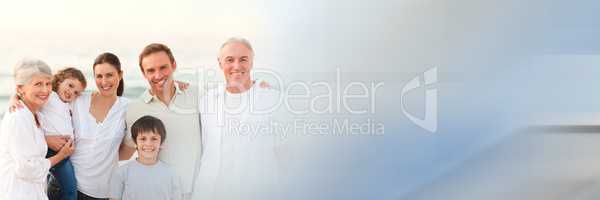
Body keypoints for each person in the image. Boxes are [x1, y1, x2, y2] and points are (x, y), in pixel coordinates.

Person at [193, 37, 285, 199]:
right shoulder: (207, 101)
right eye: (229, 60)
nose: (237, 66)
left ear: (252, 62)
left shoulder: (274, 99)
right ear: (220, 63)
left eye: (243, 59)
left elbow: (287, 153)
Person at [121, 43, 203, 200]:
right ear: (143, 73)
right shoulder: (134, 110)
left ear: (174, 65)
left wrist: (259, 87)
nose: (158, 75)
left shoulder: (197, 95)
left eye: (163, 68)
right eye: (151, 70)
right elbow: (127, 151)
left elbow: (230, 97)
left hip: (197, 191)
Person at [0, 58, 75, 199]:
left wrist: (46, 139)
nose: (45, 90)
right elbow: (27, 168)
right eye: (38, 84)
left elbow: (29, 144)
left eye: (48, 84)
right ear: (20, 89)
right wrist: (60, 156)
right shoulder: (18, 118)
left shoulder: (37, 114)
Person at [69, 52, 129, 200]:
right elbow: (45, 96)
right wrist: (17, 97)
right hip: (67, 186)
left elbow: (126, 152)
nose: (104, 81)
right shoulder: (78, 100)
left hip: (100, 193)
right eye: (99, 76)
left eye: (109, 75)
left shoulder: (127, 108)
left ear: (120, 75)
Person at [109, 115, 182, 200]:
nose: (148, 144)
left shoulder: (171, 173)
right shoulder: (122, 172)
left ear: (161, 143)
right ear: (135, 142)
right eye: (143, 139)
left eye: (154, 139)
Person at [42, 67, 87, 200]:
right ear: (60, 80)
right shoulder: (50, 96)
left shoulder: (67, 105)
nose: (71, 92)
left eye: (76, 92)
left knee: (57, 184)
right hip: (53, 151)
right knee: (70, 191)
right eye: (70, 85)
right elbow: (27, 94)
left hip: (64, 153)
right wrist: (15, 98)